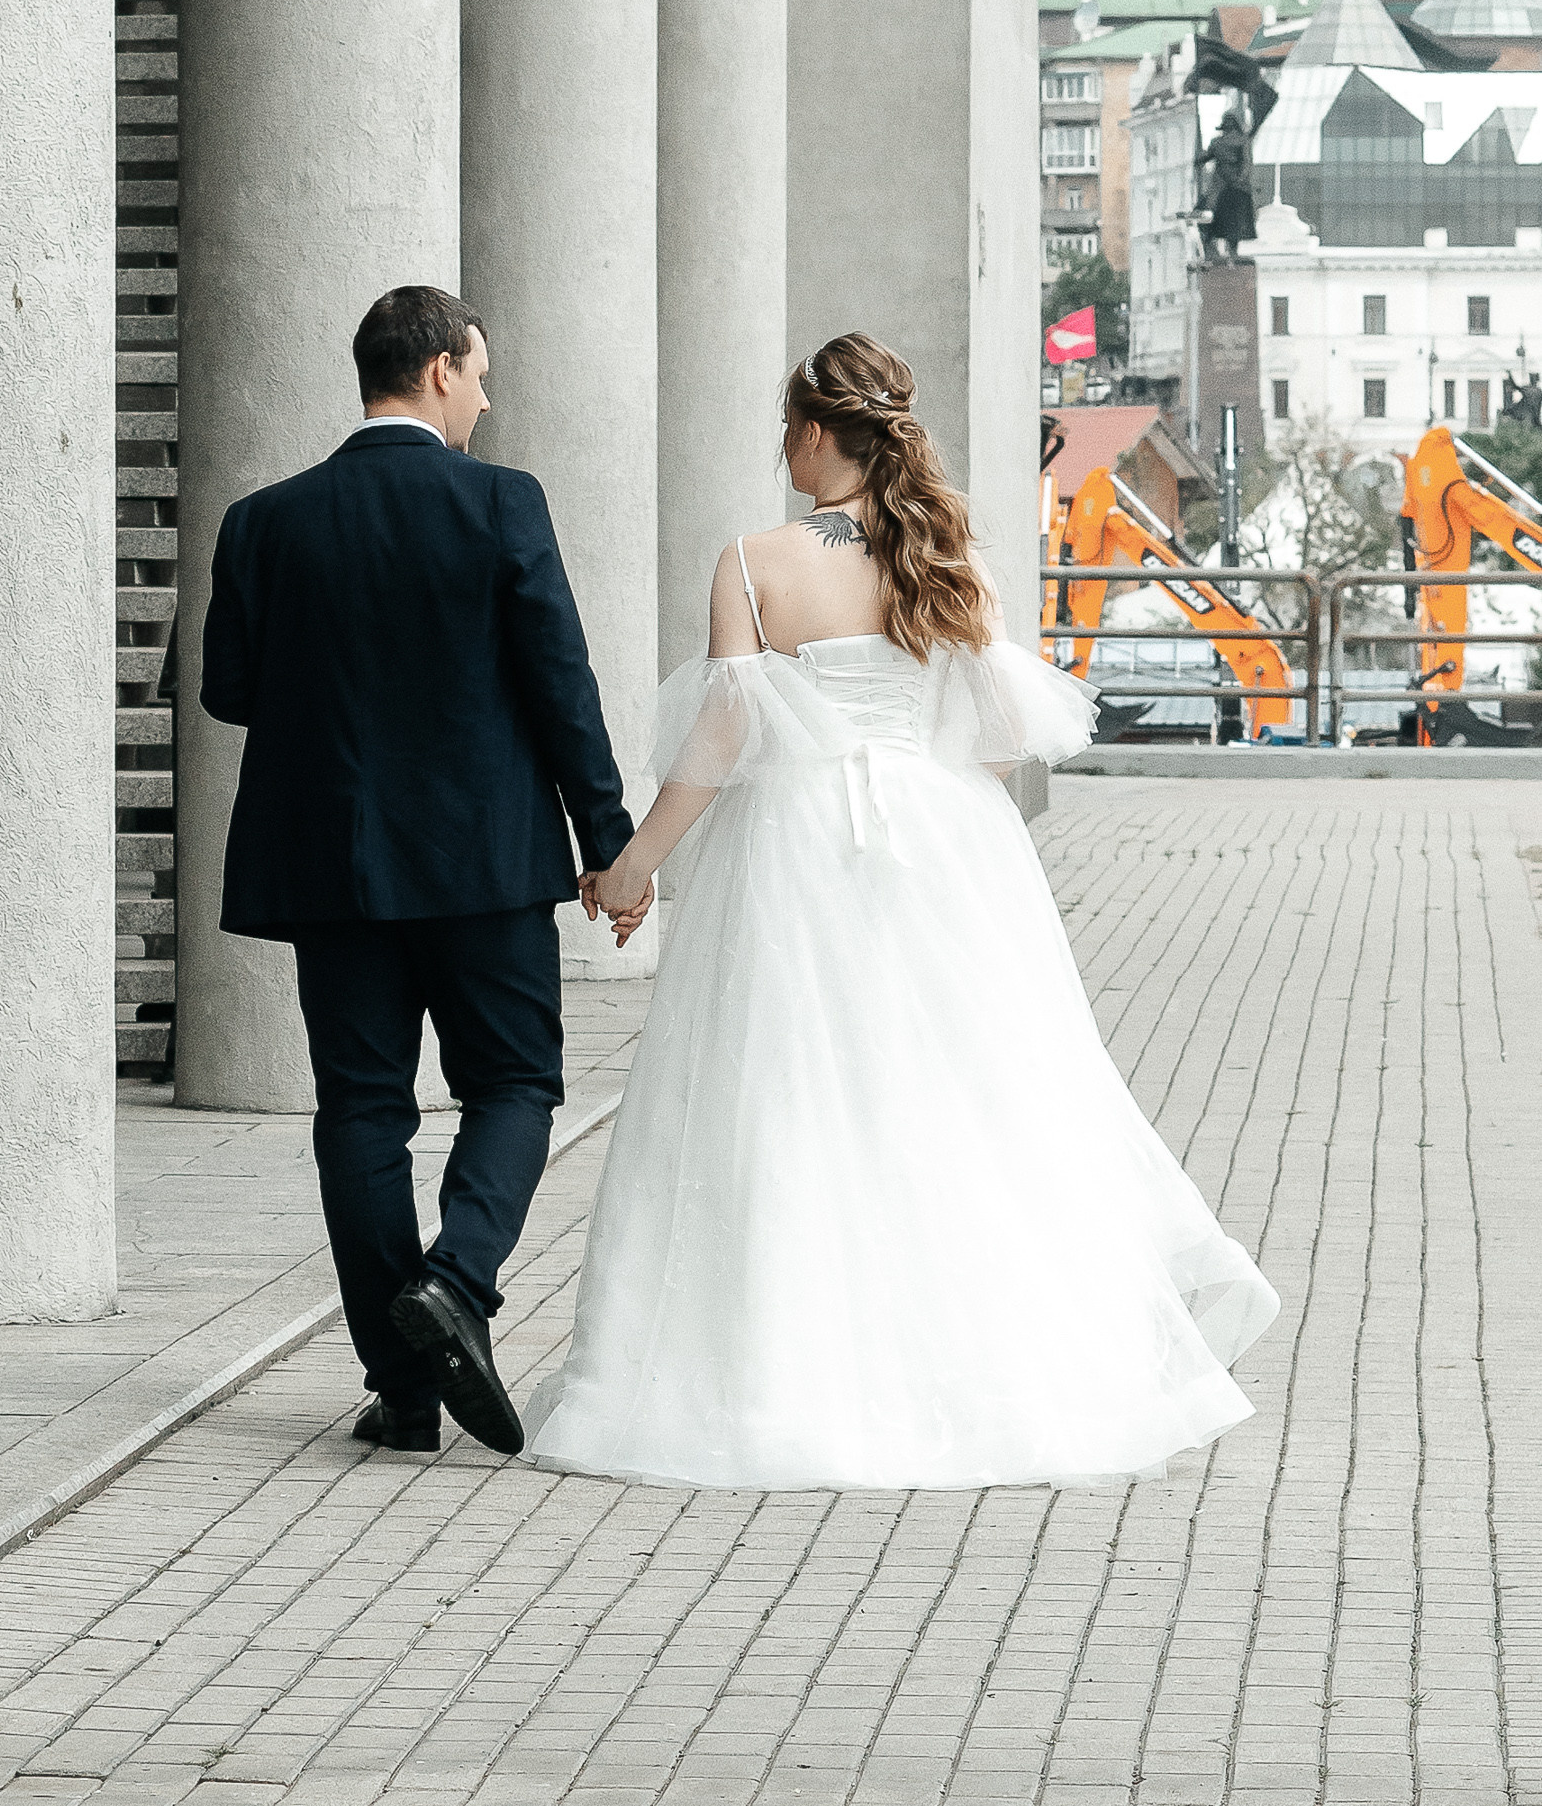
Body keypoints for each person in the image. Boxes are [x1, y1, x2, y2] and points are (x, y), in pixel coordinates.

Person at [523, 333, 1278, 1491]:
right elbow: (987, 729)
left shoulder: (750, 558)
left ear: (818, 431)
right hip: (941, 841)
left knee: (783, 1100)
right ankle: (988, 1361)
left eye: (787, 427)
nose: (781, 449)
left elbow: (722, 737)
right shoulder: (940, 548)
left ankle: (776, 1368)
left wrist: (632, 867)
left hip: (796, 849)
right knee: (957, 1094)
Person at [201, 286, 638, 1460]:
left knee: (361, 1109)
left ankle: (400, 1388)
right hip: (483, 863)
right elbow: (562, 684)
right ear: (438, 368)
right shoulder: (499, 502)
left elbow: (228, 691)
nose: (487, 397)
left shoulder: (261, 519)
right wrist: (609, 844)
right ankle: (457, 1281)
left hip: (332, 867)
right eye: (481, 374)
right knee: (513, 1083)